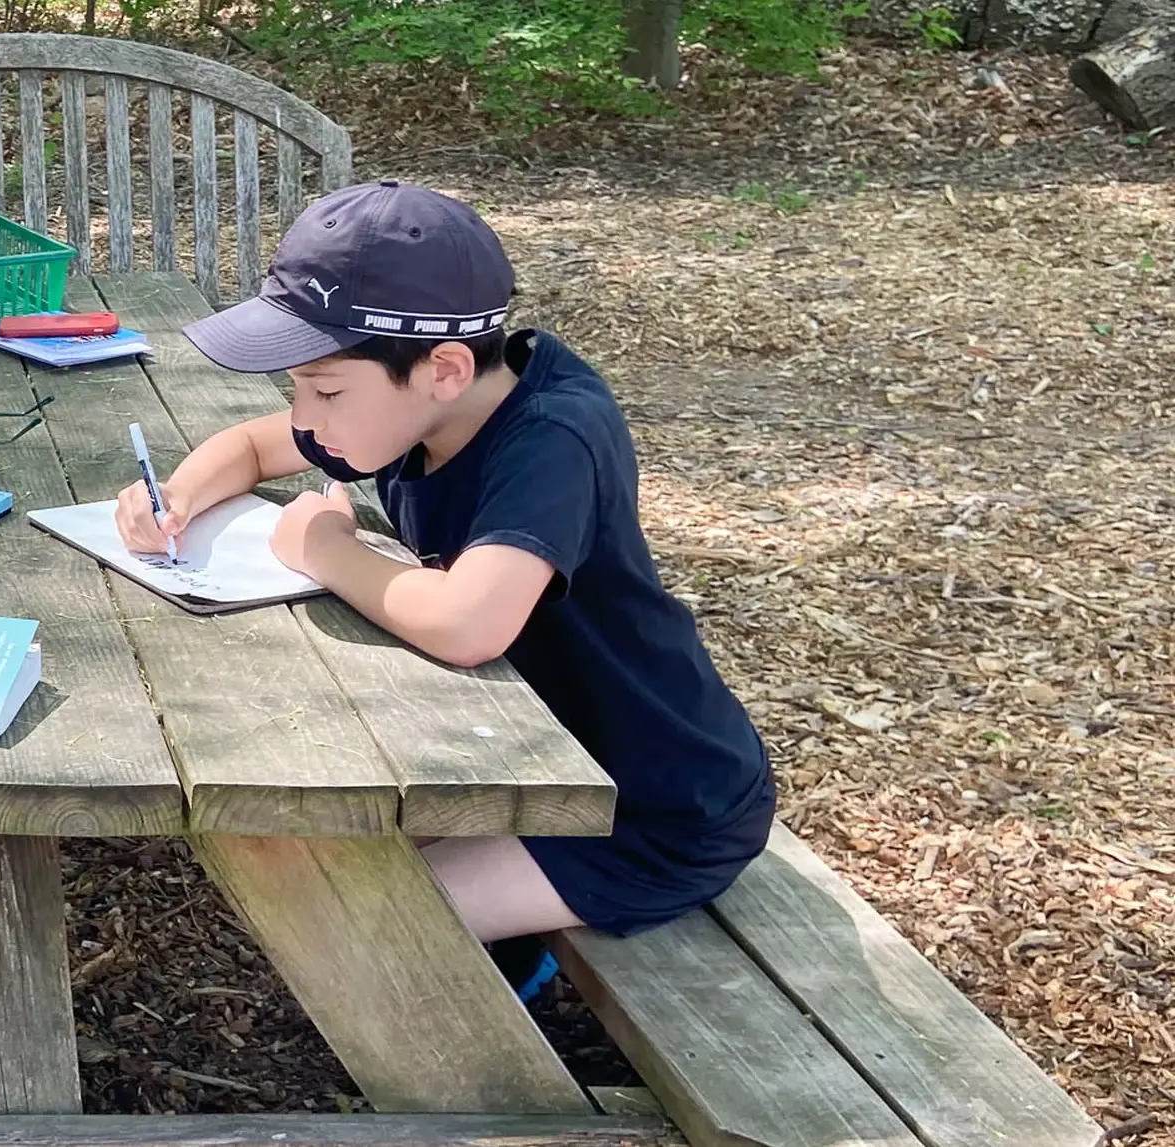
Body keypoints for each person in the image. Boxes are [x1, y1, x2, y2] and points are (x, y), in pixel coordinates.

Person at [116, 180, 776, 998]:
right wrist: (174, 495)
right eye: (298, 389)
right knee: (308, 853)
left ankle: (505, 1036)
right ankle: (506, 944)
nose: (306, 419)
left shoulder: (553, 438)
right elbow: (251, 446)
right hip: (522, 755)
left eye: (322, 390)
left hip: (649, 806)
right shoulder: (410, 407)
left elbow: (470, 624)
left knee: (349, 923)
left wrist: (328, 550)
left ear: (445, 369)